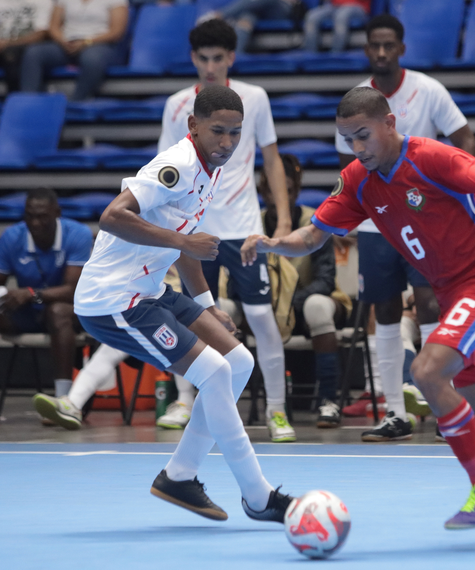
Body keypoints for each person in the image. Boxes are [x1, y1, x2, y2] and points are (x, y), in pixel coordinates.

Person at [243, 86, 475, 536]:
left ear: (390, 123)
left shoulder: (431, 157)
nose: (358, 148)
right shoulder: (358, 180)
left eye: (364, 135)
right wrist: (272, 242)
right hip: (455, 296)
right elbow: (312, 237)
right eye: (349, 140)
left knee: (425, 371)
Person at [37, 84, 294, 524]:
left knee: (238, 364)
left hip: (152, 288)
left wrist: (208, 304)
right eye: (218, 132)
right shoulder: (176, 164)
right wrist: (182, 241)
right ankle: (259, 496)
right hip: (114, 299)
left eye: (236, 134)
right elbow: (113, 216)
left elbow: (187, 245)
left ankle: (179, 474)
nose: (228, 144)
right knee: (213, 373)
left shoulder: (211, 169)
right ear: (193, 125)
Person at [336, 14, 475, 442]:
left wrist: (460, 193)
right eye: (374, 46)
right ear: (367, 50)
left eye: (388, 45)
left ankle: (443, 407)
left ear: (400, 48)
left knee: (431, 306)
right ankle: (396, 413)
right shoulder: (357, 99)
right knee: (384, 312)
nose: (381, 53)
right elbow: (350, 162)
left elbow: (465, 139)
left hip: (425, 220)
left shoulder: (428, 89)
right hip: (378, 222)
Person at [158, 19, 297, 440]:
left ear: (231, 58)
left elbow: (271, 160)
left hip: (244, 230)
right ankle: (185, 400)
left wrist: (285, 220)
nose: (211, 66)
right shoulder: (177, 104)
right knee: (191, 318)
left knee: (261, 318)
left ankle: (276, 411)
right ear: (193, 58)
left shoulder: (254, 98)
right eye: (204, 58)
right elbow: (165, 169)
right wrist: (171, 230)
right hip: (194, 233)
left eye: (219, 57)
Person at [219, 154, 353, 437]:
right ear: (263, 191)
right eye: (270, 189)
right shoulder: (248, 225)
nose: (279, 195)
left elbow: (326, 280)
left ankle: (328, 400)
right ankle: (216, 404)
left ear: (296, 190)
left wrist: (289, 303)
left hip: (308, 308)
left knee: (317, 306)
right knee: (223, 308)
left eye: (287, 189)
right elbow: (234, 284)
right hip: (265, 311)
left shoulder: (313, 220)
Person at [0, 188, 93, 425]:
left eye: (42, 216)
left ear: (57, 213)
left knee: (58, 311)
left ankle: (65, 403)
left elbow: (73, 289)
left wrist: (32, 294)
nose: (35, 222)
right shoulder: (12, 237)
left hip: (67, 313)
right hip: (26, 312)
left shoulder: (78, 235)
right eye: (29, 216)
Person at [32, 267, 197, 431]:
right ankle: (72, 404)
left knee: (175, 341)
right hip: (140, 314)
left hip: (175, 317)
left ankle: (186, 403)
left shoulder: (184, 251)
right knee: (107, 351)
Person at [20, 0, 129, 101]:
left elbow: (116, 32)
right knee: (34, 52)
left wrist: (86, 42)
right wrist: (62, 41)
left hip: (100, 44)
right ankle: (29, 102)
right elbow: (53, 26)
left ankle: (76, 103)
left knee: (92, 58)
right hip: (67, 43)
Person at [209, 0, 296, 53]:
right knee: (247, 17)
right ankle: (236, 58)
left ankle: (219, 15)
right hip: (260, 10)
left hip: (283, 9)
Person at [303, 0, 370, 53]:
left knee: (341, 17)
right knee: (312, 17)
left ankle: (335, 54)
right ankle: (311, 54)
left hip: (356, 6)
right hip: (334, 6)